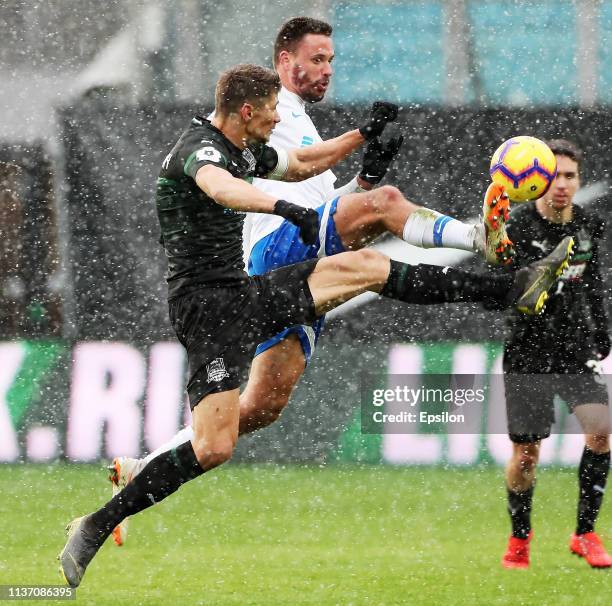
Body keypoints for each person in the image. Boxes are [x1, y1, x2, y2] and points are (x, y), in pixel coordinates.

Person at [57, 63, 572, 587]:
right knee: (214, 446)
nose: (279, 117)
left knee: (367, 269)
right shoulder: (202, 150)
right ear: (248, 111)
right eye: (273, 109)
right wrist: (285, 208)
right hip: (206, 312)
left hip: (244, 292)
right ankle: (96, 525)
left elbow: (301, 163)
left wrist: (359, 137)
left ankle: (512, 290)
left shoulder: (245, 148)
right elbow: (223, 190)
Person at [107, 16, 516, 547]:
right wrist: (363, 183)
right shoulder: (263, 113)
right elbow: (280, 179)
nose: (326, 70)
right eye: (316, 59)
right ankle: (478, 238)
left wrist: (364, 170)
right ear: (284, 62)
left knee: (261, 407)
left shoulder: (295, 119)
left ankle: (144, 467)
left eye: (331, 60)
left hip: (297, 250)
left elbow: (320, 196)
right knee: (387, 205)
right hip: (274, 247)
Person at [500, 139, 611, 569]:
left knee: (601, 433)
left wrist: (601, 332)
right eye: (552, 176)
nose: (561, 185)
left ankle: (585, 533)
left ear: (578, 181)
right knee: (527, 454)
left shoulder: (588, 226)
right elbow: (502, 287)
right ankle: (519, 540)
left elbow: (593, 281)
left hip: (574, 347)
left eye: (570, 176)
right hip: (528, 351)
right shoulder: (517, 228)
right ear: (536, 180)